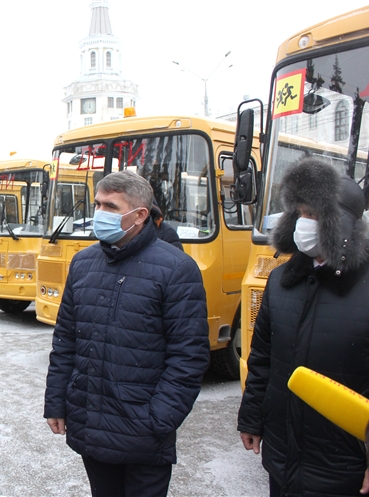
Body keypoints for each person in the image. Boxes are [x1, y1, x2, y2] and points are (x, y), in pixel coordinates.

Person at [44, 170, 209, 497]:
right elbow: (66, 341)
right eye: (97, 205)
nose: (99, 214)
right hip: (92, 429)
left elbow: (188, 357)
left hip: (144, 438)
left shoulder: (176, 269)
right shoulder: (82, 263)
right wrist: (57, 403)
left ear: (140, 215)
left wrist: (158, 421)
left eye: (111, 206)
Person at [238, 157, 369, 497]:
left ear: (337, 222)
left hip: (343, 465)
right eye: (298, 213)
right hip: (282, 457)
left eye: (311, 214)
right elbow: (263, 356)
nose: (301, 223)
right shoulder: (281, 279)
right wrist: (252, 416)